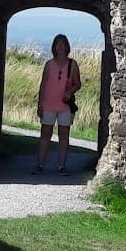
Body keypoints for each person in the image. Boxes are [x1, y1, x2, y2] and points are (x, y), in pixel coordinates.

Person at [33, 33, 82, 175]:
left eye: (62, 44)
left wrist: (70, 92)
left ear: (67, 46)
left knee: (64, 136)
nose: (60, 46)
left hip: (65, 106)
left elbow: (78, 84)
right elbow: (43, 85)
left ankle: (62, 166)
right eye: (58, 44)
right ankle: (40, 164)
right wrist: (40, 105)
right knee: (45, 135)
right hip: (48, 104)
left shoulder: (72, 64)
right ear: (54, 47)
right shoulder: (49, 64)